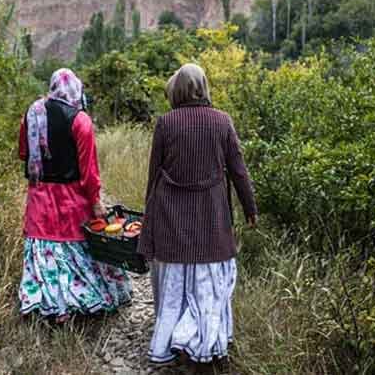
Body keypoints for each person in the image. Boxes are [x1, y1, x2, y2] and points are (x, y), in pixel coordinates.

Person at [139, 63, 257, 366]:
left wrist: (148, 223)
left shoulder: (166, 123)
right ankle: (204, 341)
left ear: (176, 89)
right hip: (211, 218)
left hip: (170, 217)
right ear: (203, 86)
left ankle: (176, 340)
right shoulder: (222, 121)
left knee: (175, 284)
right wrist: (250, 209)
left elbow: (154, 177)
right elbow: (239, 171)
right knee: (208, 284)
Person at [17, 68, 132, 322]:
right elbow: (89, 171)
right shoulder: (81, 121)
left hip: (39, 201)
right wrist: (96, 202)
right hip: (71, 202)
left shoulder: (32, 114)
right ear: (76, 90)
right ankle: (81, 301)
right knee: (77, 251)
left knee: (46, 252)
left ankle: (50, 306)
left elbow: (23, 153)